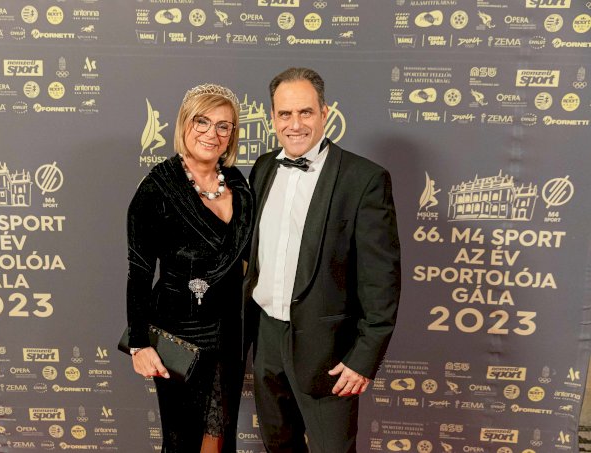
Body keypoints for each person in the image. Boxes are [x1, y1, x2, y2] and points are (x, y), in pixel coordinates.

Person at [242, 67, 401, 453]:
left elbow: (381, 279)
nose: (295, 124)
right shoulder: (263, 168)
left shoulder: (364, 179)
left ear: (325, 112)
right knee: (278, 446)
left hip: (329, 349)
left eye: (305, 112)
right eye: (285, 114)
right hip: (266, 338)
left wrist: (363, 358)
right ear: (272, 118)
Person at [127, 83, 253, 453]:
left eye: (223, 125)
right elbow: (139, 272)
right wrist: (139, 344)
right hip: (180, 334)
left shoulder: (239, 184)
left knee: (220, 434)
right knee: (182, 438)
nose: (212, 133)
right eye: (202, 121)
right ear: (185, 124)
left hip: (229, 332)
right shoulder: (157, 189)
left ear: (232, 134)